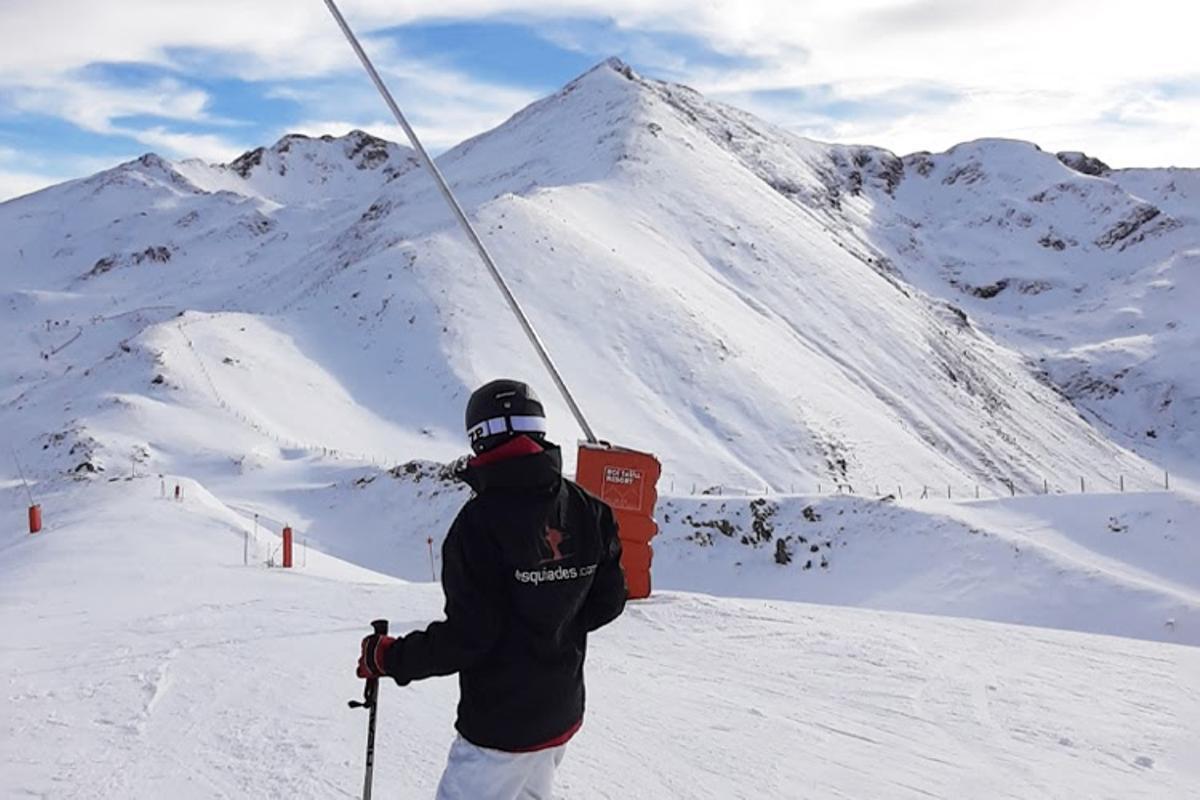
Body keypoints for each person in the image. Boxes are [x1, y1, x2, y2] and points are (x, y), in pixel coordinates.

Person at [357, 378, 627, 799]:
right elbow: (609, 601)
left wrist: (392, 658)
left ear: (480, 437)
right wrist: (554, 625)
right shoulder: (588, 508)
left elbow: (470, 637)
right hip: (559, 716)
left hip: (500, 731)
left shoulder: (478, 526)